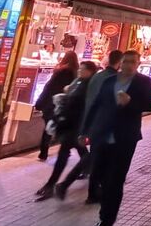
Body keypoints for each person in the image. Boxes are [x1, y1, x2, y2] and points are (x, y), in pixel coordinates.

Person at [81, 50, 151, 226]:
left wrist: (130, 103)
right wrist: (84, 131)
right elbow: (96, 105)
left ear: (138, 64)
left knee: (115, 180)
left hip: (124, 138)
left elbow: (150, 104)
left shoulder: (144, 82)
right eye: (126, 61)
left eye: (133, 62)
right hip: (101, 135)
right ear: (120, 63)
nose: (129, 65)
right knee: (98, 174)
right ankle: (104, 203)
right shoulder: (109, 81)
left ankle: (106, 219)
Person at [57, 50, 124, 203]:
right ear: (119, 62)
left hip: (91, 122)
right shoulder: (112, 79)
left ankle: (91, 190)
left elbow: (90, 101)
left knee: (94, 157)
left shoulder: (97, 76)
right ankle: (70, 186)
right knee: (93, 157)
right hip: (103, 124)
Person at [35, 60, 98, 201]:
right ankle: (85, 172)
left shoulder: (90, 85)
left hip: (77, 125)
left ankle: (54, 185)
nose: (80, 71)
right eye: (80, 69)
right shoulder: (79, 81)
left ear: (90, 71)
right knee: (79, 152)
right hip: (70, 124)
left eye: (83, 70)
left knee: (64, 154)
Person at [35, 51, 79, 160]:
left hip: (52, 103)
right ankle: (64, 148)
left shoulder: (60, 72)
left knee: (48, 128)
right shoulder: (75, 74)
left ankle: (44, 152)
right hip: (65, 105)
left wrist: (39, 102)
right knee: (59, 127)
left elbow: (48, 88)